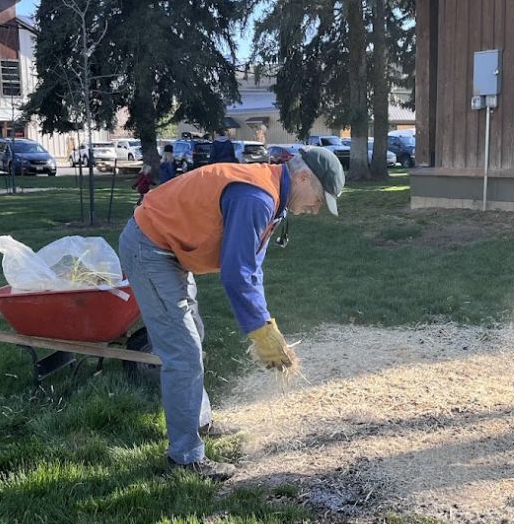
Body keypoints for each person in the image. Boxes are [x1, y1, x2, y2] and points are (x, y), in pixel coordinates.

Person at [118, 146, 346, 479]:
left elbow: (251, 269)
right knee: (183, 352)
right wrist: (261, 331)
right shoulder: (258, 198)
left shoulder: (273, 198)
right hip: (151, 248)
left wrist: (264, 323)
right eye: (319, 197)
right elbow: (236, 274)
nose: (317, 207)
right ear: (302, 177)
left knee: (193, 337)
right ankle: (185, 458)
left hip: (169, 249)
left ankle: (199, 421)